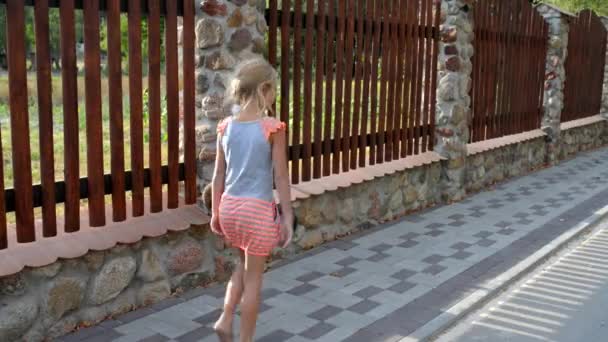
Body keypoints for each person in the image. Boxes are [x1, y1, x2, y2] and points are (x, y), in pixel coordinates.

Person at [210, 58, 294, 342]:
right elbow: (281, 177)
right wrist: (287, 217)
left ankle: (224, 317)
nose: (274, 97)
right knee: (255, 277)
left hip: (230, 208)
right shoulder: (272, 128)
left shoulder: (225, 127)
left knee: (242, 264)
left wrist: (214, 213)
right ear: (265, 90)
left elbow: (218, 175)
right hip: (257, 212)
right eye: (274, 91)